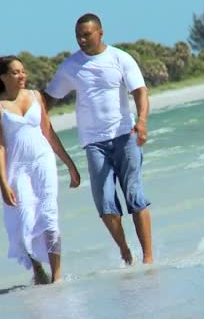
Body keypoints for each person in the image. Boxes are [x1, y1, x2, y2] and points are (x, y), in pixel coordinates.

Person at [42, 13, 153, 265]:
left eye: (86, 34)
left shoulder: (120, 58)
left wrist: (142, 121)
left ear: (100, 33)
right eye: (78, 35)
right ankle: (125, 251)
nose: (81, 40)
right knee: (105, 204)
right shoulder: (71, 67)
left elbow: (140, 91)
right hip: (94, 143)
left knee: (135, 196)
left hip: (125, 135)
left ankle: (148, 259)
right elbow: (45, 103)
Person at [0, 55, 81, 284]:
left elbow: (48, 132)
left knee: (49, 216)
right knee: (25, 219)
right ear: (3, 77)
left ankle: (57, 277)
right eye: (16, 72)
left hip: (43, 162)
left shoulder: (36, 96)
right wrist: (3, 183)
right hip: (17, 168)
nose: (22, 76)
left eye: (23, 71)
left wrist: (70, 164)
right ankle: (37, 267)